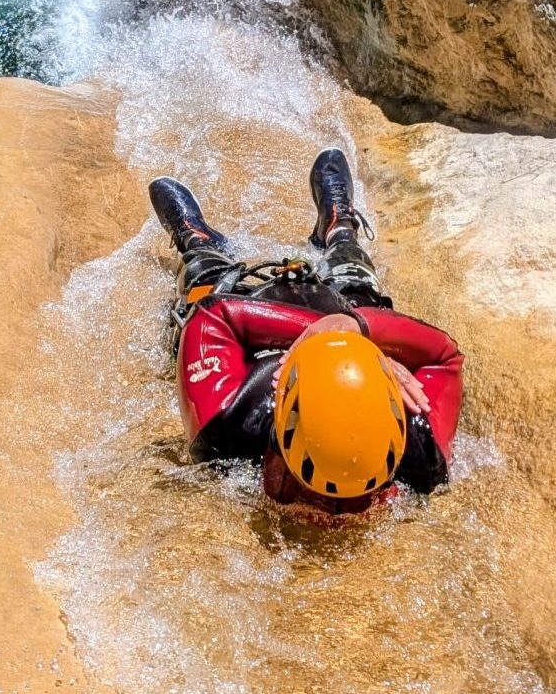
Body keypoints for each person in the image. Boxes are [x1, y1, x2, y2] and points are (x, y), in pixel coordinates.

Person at [153, 149, 464, 516]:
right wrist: (349, 333)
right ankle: (205, 239)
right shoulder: (233, 420)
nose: (333, 516)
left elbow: (213, 316)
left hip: (285, 319)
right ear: (273, 463)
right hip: (308, 317)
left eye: (372, 493)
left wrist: (348, 336)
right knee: (353, 288)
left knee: (210, 283)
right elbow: (443, 357)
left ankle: (213, 243)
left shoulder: (224, 422)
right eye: (310, 495)